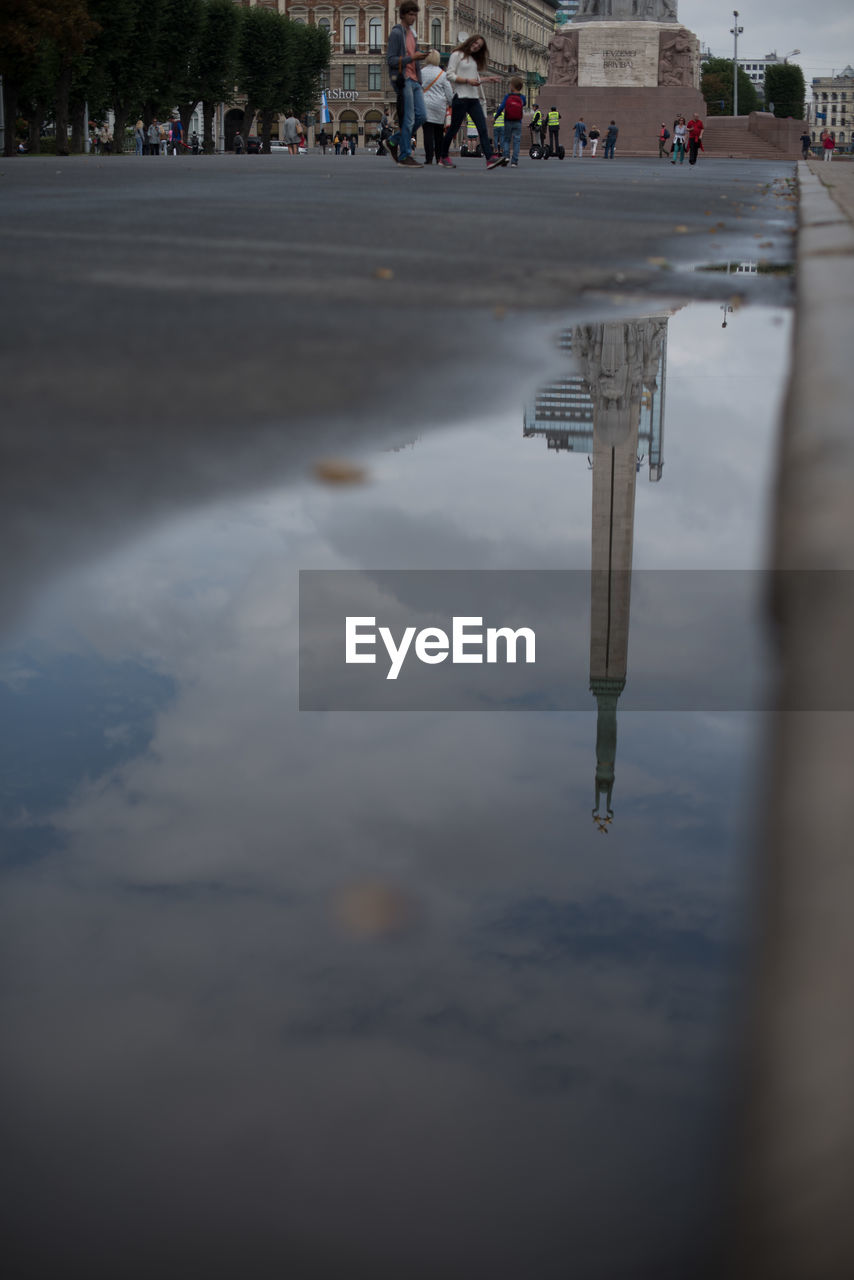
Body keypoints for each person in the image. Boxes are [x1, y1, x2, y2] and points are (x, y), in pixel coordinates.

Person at [439, 34, 505, 169]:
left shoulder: (473, 60)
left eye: (479, 46)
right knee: (453, 129)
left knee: (482, 128)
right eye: (475, 43)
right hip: (461, 98)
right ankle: (443, 156)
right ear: (470, 41)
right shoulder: (457, 54)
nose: (476, 47)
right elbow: (449, 75)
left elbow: (474, 80)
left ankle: (489, 158)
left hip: (473, 99)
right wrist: (467, 81)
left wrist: (487, 79)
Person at [386, 1, 431, 167]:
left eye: (415, 14)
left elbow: (414, 57)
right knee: (409, 119)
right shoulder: (397, 34)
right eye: (410, 14)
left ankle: (393, 141)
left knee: (422, 116)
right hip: (404, 80)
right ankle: (405, 155)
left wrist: (420, 59)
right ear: (403, 14)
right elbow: (390, 60)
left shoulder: (413, 34)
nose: (413, 17)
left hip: (415, 80)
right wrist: (413, 58)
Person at [420, 50, 454, 164]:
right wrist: (450, 103)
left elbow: (418, 88)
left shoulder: (422, 72)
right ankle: (439, 157)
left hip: (425, 104)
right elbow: (449, 92)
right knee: (439, 133)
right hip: (439, 106)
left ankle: (428, 158)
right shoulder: (442, 74)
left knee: (427, 133)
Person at [495, 76, 526, 166]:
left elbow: (501, 107)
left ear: (512, 86)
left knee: (506, 140)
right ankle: (514, 161)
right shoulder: (522, 97)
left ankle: (506, 157)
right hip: (518, 121)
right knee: (517, 140)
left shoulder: (507, 96)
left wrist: (495, 117)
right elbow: (523, 104)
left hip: (508, 120)